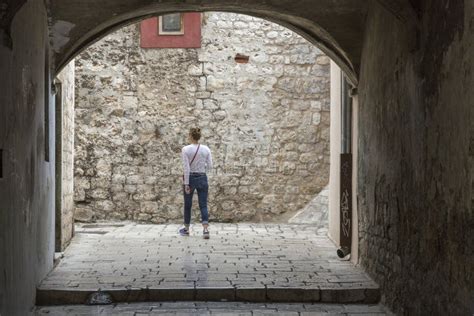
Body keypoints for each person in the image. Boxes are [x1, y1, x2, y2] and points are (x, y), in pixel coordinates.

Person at [179, 128, 213, 239]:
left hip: (191, 178)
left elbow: (186, 168)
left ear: (190, 136)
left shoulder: (185, 149)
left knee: (188, 205)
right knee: (203, 204)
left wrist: (187, 183)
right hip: (202, 177)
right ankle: (205, 229)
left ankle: (186, 229)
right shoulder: (206, 149)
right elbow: (210, 166)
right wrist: (202, 171)